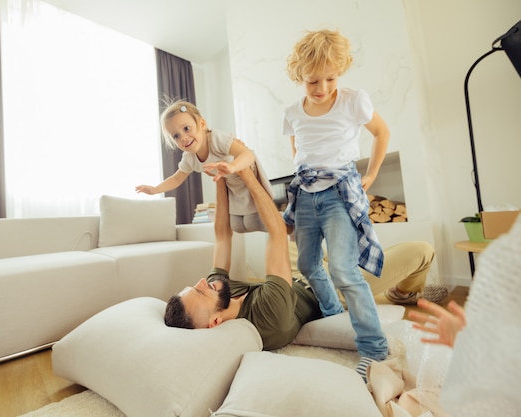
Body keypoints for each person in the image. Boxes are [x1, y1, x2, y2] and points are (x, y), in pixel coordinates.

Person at [281, 28, 391, 375]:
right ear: (298, 75)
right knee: (309, 264)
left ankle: (374, 349)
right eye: (313, 81)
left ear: (340, 72)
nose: (322, 88)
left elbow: (381, 132)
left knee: (342, 269)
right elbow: (298, 151)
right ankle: (333, 316)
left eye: (330, 78)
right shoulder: (292, 112)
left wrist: (370, 175)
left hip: (338, 193)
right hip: (305, 194)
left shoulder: (352, 99)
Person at [164, 167, 324, 353]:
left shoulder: (218, 295)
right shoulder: (268, 318)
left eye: (194, 287)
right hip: (318, 283)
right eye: (199, 292)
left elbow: (222, 236)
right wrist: (247, 175)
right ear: (215, 321)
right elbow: (277, 232)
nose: (201, 282)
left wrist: (221, 178)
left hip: (291, 276)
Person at [135, 100, 273, 233]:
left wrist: (232, 166)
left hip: (248, 179)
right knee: (237, 226)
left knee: (252, 222)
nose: (183, 137)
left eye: (187, 129)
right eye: (176, 136)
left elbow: (248, 155)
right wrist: (155, 190)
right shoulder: (189, 157)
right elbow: (177, 179)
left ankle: (285, 222)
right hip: (233, 187)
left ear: (201, 124)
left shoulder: (216, 139)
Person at [289, 239, 450, 306]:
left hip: (329, 265)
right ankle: (402, 294)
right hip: (329, 286)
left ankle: (400, 292)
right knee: (422, 250)